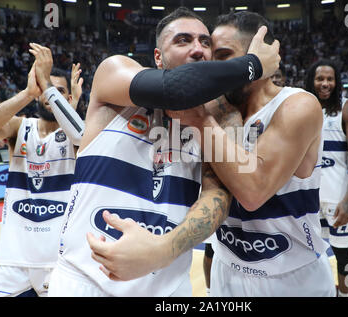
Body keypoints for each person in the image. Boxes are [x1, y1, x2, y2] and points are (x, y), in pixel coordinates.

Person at [47, 7, 280, 296]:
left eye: (205, 42)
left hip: (168, 288)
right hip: (85, 281)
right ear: (158, 57)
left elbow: (216, 196)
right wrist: (254, 64)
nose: (198, 50)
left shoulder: (224, 116)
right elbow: (176, 89)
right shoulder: (115, 74)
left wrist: (162, 250)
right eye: (183, 40)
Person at [167, 11, 335, 297]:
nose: (212, 68)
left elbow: (253, 191)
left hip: (291, 279)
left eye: (223, 56)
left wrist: (203, 121)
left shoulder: (297, 105)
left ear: (257, 57)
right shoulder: (215, 109)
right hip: (227, 271)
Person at [0, 43, 84, 297]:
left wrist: (64, 100)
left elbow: (80, 135)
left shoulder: (78, 135)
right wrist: (27, 92)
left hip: (59, 262)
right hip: (15, 260)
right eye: (46, 88)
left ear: (68, 99)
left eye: (59, 91)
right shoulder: (20, 127)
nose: (50, 95)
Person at [305, 59, 348, 297]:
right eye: (320, 78)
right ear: (311, 81)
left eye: (330, 79)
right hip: (308, 196)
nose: (325, 83)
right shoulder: (301, 107)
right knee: (309, 253)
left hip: (337, 197)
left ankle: (345, 294)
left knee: (344, 253)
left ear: (337, 82)